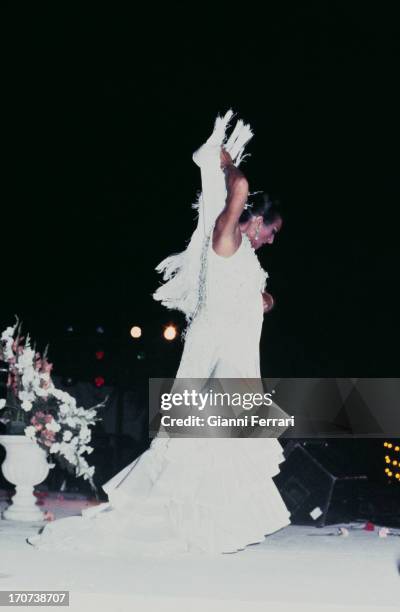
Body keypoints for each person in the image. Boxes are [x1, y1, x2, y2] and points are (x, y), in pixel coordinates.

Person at [27, 112, 291, 556]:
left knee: (217, 449)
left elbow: (257, 296)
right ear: (253, 220)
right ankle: (177, 524)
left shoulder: (244, 256)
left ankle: (211, 528)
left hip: (233, 356)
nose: (272, 239)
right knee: (200, 444)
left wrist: (266, 301)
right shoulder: (225, 237)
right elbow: (241, 190)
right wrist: (222, 160)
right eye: (273, 230)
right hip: (217, 358)